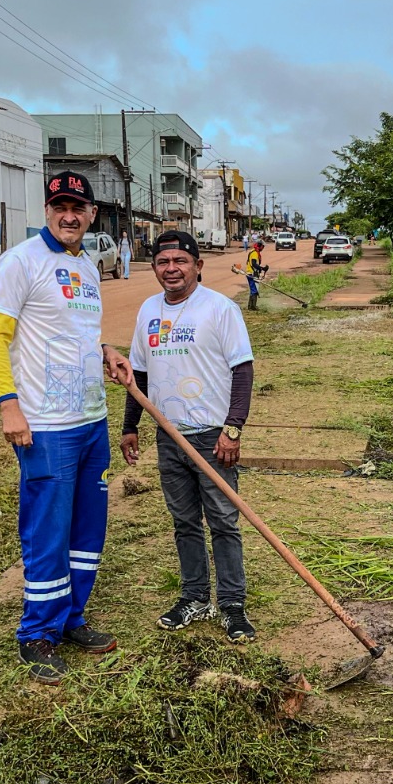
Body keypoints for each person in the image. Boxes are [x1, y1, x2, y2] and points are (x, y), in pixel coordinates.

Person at [0, 170, 133, 683]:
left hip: (92, 421)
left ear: (93, 215)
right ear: (47, 211)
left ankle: (71, 619)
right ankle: (37, 635)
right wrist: (8, 403)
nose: (69, 215)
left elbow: (77, 333)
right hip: (45, 426)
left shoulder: (87, 266)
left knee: (87, 531)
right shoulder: (20, 262)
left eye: (79, 207)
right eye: (59, 205)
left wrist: (108, 350)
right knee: (47, 531)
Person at [120, 230, 257, 643]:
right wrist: (131, 425)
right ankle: (194, 596)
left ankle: (232, 605)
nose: (171, 269)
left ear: (198, 265)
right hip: (169, 436)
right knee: (184, 523)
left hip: (213, 437)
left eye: (180, 261)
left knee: (223, 522)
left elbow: (243, 370)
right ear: (155, 269)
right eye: (163, 262)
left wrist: (232, 429)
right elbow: (137, 375)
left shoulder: (219, 309)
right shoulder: (148, 310)